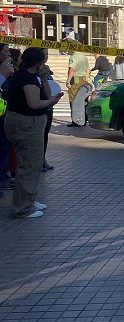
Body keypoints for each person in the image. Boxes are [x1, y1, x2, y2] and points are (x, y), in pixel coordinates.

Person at [3, 48, 63, 218]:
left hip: (26, 123)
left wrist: (44, 79)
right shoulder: (26, 79)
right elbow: (35, 103)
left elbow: (45, 93)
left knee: (29, 163)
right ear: (38, 63)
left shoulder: (27, 76)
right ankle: (22, 207)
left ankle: (27, 199)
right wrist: (52, 101)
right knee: (29, 165)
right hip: (27, 124)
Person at [0, 44, 15, 193]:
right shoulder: (3, 72)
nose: (8, 54)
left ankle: (4, 176)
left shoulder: (7, 70)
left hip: (4, 115)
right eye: (5, 51)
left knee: (4, 147)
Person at [39, 50, 56, 171]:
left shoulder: (46, 68)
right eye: (43, 54)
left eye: (47, 54)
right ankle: (39, 161)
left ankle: (43, 159)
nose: (46, 57)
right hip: (41, 105)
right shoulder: (36, 70)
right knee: (40, 135)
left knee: (45, 134)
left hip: (49, 105)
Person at [66, 51, 90, 127]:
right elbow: (87, 69)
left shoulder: (74, 57)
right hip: (83, 80)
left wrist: (68, 81)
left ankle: (76, 121)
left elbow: (72, 69)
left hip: (75, 80)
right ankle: (84, 120)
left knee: (73, 100)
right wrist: (86, 78)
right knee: (83, 100)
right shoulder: (84, 56)